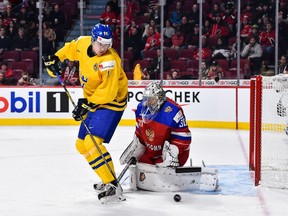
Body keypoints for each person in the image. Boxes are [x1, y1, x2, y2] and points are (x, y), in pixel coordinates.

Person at [43, 23, 128, 203]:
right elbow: (69, 49)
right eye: (101, 44)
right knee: (81, 145)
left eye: (107, 44)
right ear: (92, 40)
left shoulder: (109, 61)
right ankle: (108, 180)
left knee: (92, 142)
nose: (104, 48)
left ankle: (112, 185)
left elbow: (109, 92)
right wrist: (55, 60)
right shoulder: (82, 43)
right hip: (93, 101)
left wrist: (86, 104)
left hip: (111, 103)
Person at [121, 82, 191, 166]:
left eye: (152, 99)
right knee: (139, 166)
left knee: (160, 167)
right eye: (146, 99)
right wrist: (137, 148)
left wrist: (173, 152)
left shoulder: (173, 111)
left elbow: (183, 139)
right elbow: (140, 134)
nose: (148, 102)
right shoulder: (141, 109)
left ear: (160, 98)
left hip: (170, 155)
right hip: (151, 153)